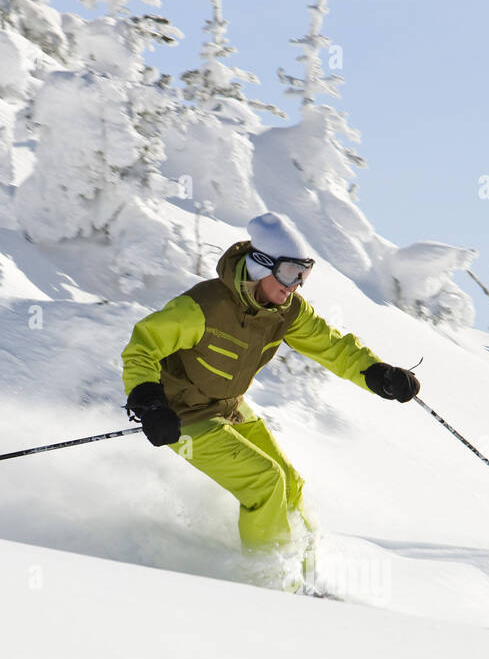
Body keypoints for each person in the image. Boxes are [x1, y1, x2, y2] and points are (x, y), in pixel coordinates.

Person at [121, 212, 420, 587]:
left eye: (303, 276)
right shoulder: (204, 306)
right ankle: (270, 584)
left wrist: (376, 373)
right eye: (290, 273)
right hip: (182, 416)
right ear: (259, 266)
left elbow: (332, 346)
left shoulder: (287, 311)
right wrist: (149, 404)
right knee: (265, 481)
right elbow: (142, 346)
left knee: (291, 483)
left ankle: (310, 580)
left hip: (228, 408)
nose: (295, 285)